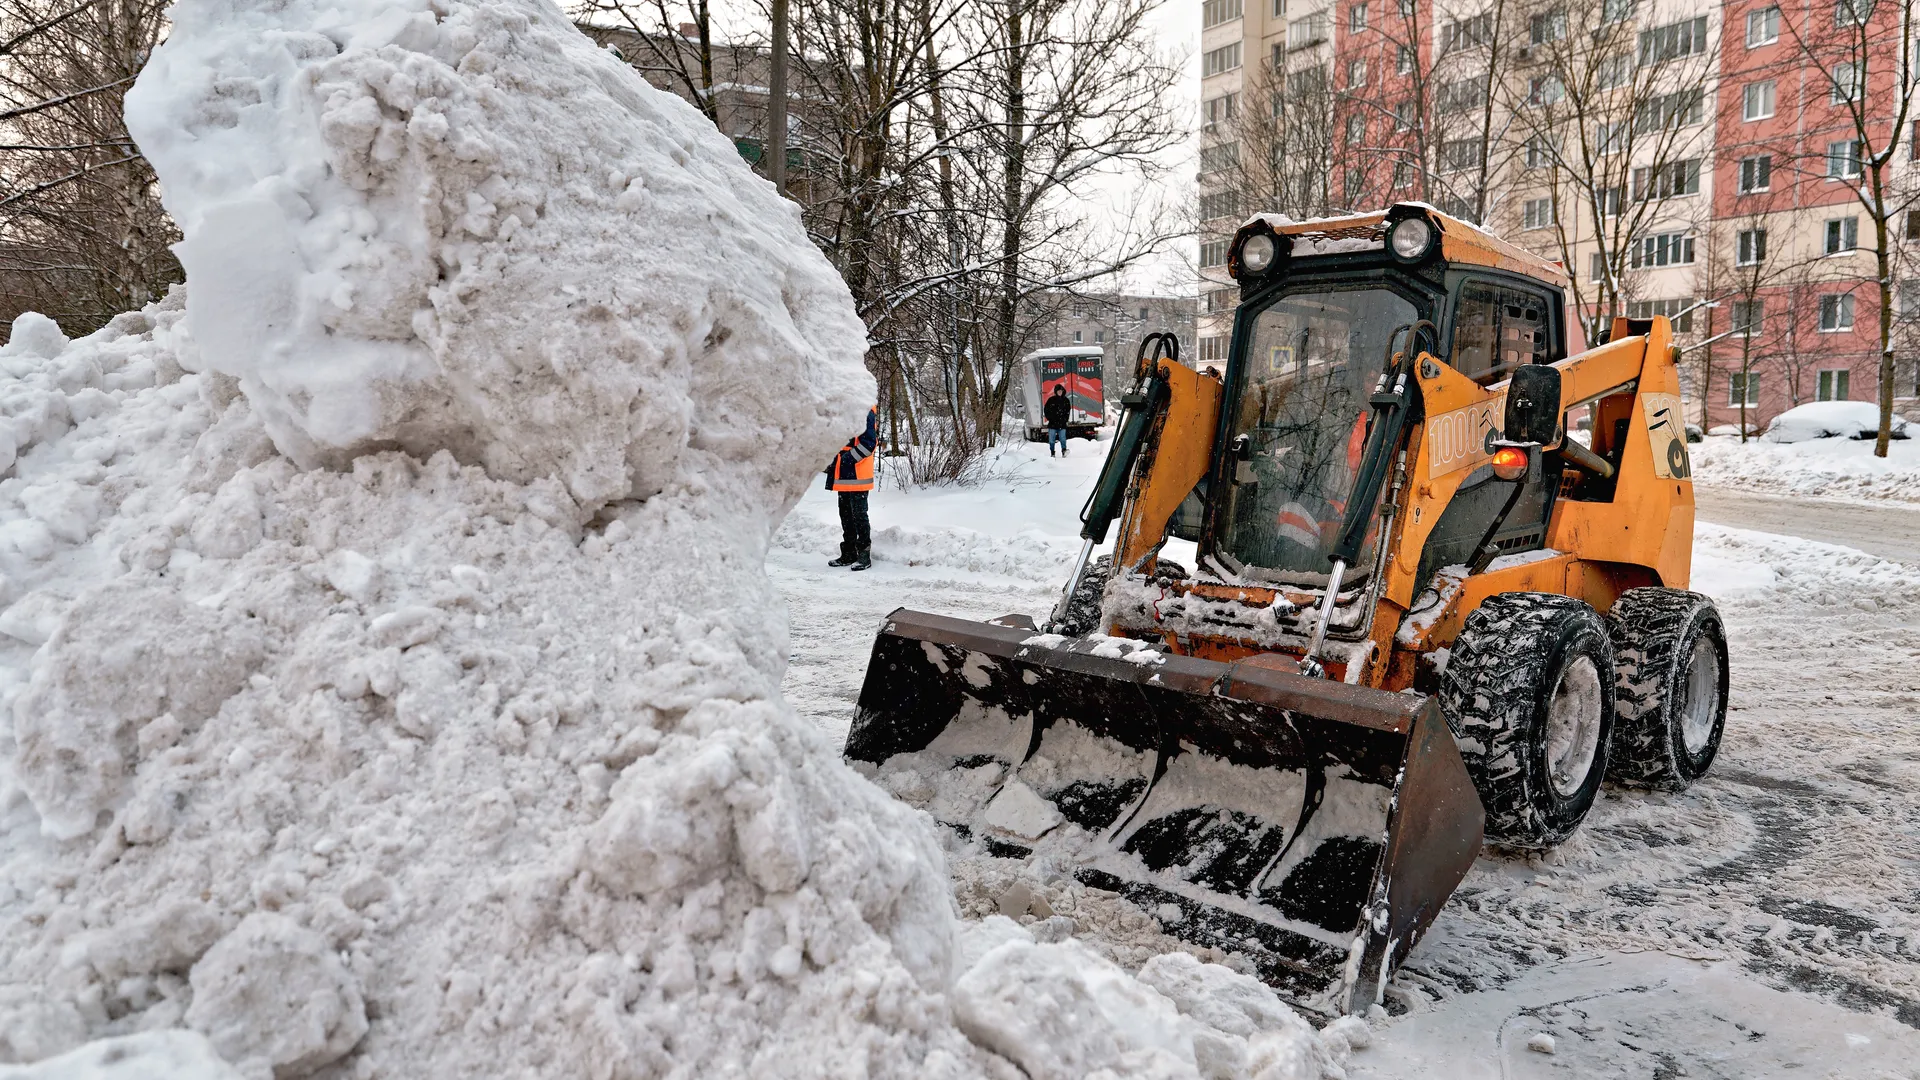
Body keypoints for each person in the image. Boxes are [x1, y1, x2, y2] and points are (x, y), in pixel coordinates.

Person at [825, 405, 878, 570]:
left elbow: (869, 442)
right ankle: (848, 553)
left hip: (857, 473)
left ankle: (863, 556)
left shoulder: (865, 409)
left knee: (859, 515)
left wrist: (848, 459)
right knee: (846, 514)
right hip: (844, 472)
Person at [1043, 383, 1072, 457]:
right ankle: (1052, 452)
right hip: (1052, 424)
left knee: (1063, 439)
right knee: (1051, 440)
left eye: (1061, 391)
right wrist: (1050, 418)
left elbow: (1068, 411)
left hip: (1062, 424)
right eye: (1058, 391)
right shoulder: (1051, 400)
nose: (1060, 392)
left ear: (1063, 391)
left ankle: (1064, 451)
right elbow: (1046, 410)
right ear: (1056, 392)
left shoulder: (1066, 400)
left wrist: (1065, 419)